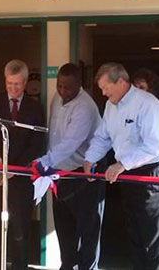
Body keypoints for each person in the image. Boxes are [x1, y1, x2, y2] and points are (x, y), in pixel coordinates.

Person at [84, 62, 159, 270]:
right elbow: (102, 137)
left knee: (154, 242)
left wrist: (122, 163)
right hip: (128, 174)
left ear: (122, 82)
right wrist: (90, 158)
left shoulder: (147, 104)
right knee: (135, 237)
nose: (104, 93)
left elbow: (154, 145)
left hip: (153, 174)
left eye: (106, 87)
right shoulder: (110, 107)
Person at [36, 63, 104, 270]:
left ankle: (86, 268)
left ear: (79, 85)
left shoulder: (85, 106)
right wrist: (49, 167)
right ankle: (67, 265)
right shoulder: (57, 98)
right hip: (60, 173)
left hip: (84, 175)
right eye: (59, 86)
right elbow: (53, 135)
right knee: (64, 226)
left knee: (87, 228)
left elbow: (70, 143)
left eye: (68, 88)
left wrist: (44, 161)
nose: (63, 92)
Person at [0, 59, 44, 270]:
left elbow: (36, 144)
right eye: (9, 83)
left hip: (20, 178)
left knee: (20, 230)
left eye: (17, 84)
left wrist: (15, 170)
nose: (13, 88)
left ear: (25, 82)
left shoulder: (35, 108)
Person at [132, 67, 159, 135]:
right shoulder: (128, 110)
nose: (137, 91)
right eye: (135, 87)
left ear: (151, 90)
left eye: (141, 88)